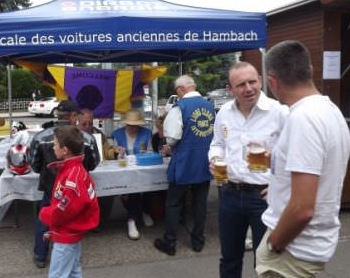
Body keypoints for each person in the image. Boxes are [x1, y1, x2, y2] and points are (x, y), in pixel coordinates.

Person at [255, 40, 350, 277]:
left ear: (273, 81)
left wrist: (273, 244)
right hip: (307, 246)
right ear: (310, 70)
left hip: (291, 251)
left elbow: (302, 209)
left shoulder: (303, 118)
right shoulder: (330, 110)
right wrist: (279, 185)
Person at [208, 62, 288, 277]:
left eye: (252, 81)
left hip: (264, 197)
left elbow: (294, 155)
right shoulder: (224, 112)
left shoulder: (279, 112)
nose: (249, 88)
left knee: (264, 262)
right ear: (230, 89)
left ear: (260, 81)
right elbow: (217, 143)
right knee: (229, 259)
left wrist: (281, 184)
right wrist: (215, 158)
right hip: (229, 193)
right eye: (241, 84)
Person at [30, 100, 100, 269]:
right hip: (75, 188)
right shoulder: (87, 138)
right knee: (70, 222)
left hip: (50, 186)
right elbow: (93, 163)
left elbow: (33, 164)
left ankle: (41, 254)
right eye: (77, 115)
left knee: (45, 217)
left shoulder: (40, 136)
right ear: (72, 116)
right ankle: (69, 255)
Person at [154, 74, 215, 256]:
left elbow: (172, 138)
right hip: (204, 160)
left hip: (184, 161)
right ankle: (198, 241)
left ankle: (170, 242)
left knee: (173, 203)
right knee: (200, 203)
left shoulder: (179, 108)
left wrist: (168, 146)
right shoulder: (210, 107)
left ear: (181, 90)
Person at [39, 125, 100, 278]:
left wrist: (45, 214)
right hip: (71, 233)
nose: (53, 147)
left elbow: (65, 209)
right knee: (73, 271)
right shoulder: (74, 170)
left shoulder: (73, 175)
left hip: (66, 234)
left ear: (64, 150)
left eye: (55, 144)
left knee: (58, 275)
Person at [112, 109, 154, 240]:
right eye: (130, 125)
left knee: (151, 185)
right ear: (125, 124)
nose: (133, 128)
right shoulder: (117, 134)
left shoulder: (147, 133)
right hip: (124, 168)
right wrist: (117, 151)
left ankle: (145, 211)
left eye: (136, 125)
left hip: (142, 166)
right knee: (135, 188)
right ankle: (131, 220)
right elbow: (112, 153)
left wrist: (145, 154)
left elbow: (151, 151)